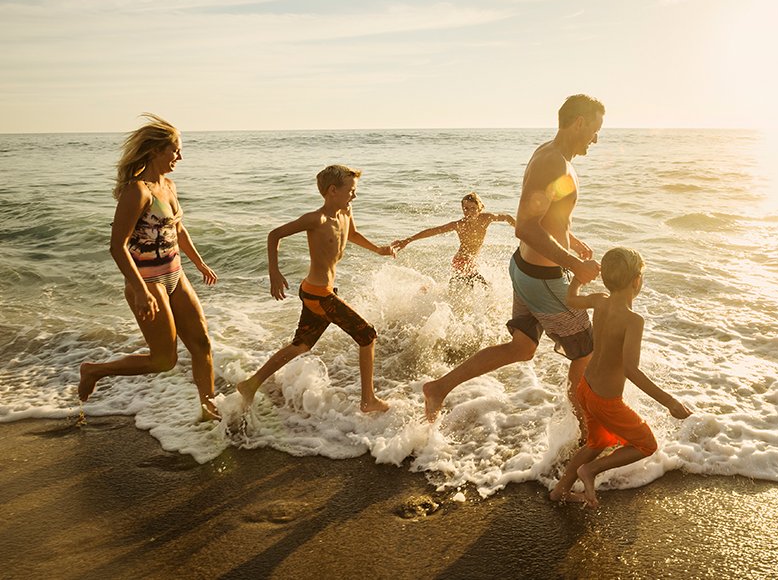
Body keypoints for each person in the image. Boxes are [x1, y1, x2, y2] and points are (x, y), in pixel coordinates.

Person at [423, 94, 605, 423]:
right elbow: (525, 226)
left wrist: (571, 239)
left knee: (521, 348)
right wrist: (575, 264)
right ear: (579, 122)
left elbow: (548, 215)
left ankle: (438, 388)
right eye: (594, 129)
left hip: (525, 270)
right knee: (586, 351)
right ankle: (584, 431)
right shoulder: (553, 161)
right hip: (542, 278)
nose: (596, 138)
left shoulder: (552, 156)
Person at [78, 113, 219, 421]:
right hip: (147, 281)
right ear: (156, 150)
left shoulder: (168, 186)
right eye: (175, 150)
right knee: (163, 360)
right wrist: (141, 291)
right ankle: (94, 371)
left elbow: (177, 230)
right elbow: (117, 247)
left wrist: (199, 263)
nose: (179, 156)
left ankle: (210, 412)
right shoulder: (137, 191)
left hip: (175, 275)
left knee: (202, 343)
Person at [236, 165, 394, 413]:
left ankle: (250, 384)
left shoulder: (346, 211)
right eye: (351, 191)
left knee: (301, 346)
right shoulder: (316, 219)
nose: (355, 195)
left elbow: (352, 234)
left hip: (317, 291)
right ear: (333, 191)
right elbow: (274, 235)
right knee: (367, 335)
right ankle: (368, 400)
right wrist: (274, 273)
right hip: (319, 295)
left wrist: (378, 249)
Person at [549, 247, 692, 508]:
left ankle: (560, 490)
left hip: (586, 388)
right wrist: (669, 402)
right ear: (637, 281)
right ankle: (590, 471)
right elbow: (631, 370)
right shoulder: (633, 320)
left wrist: (580, 277)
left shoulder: (600, 300)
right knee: (646, 443)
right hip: (606, 401)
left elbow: (571, 298)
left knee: (598, 441)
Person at [391, 192, 515, 287]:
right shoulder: (459, 225)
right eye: (465, 209)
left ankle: (442, 294)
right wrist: (408, 240)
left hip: (471, 262)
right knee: (483, 287)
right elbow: (433, 231)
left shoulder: (486, 218)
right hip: (461, 261)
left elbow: (507, 217)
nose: (469, 212)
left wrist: (520, 230)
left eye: (472, 208)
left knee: (465, 287)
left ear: (480, 208)